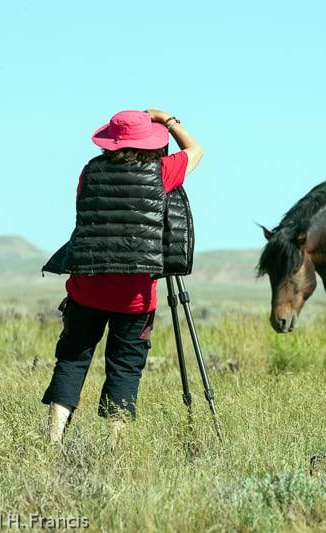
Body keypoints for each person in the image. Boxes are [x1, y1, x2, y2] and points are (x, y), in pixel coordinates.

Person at [41, 109, 203, 443]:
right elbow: (196, 151)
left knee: (72, 360)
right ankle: (115, 445)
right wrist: (167, 119)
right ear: (150, 141)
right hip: (136, 296)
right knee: (126, 365)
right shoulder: (162, 171)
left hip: (87, 286)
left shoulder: (90, 171)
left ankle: (53, 438)